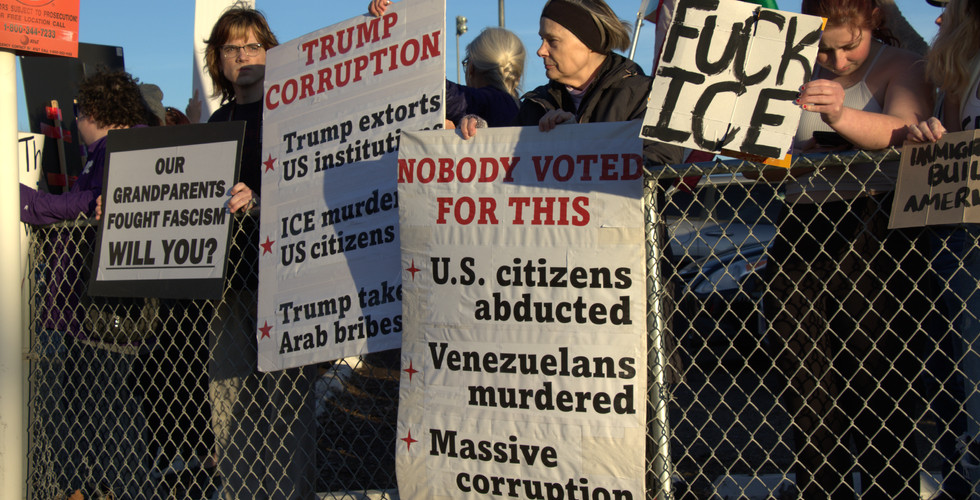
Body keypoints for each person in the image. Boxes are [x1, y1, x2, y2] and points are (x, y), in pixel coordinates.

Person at [762, 0, 933, 497]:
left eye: (848, 45)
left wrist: (839, 114)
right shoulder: (789, 65)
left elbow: (901, 129)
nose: (835, 62)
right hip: (802, 228)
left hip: (876, 234)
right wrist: (789, 158)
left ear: (873, 21)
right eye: (823, 48)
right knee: (807, 390)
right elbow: (760, 156)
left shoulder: (903, 65)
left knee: (881, 391)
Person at [203, 5, 316, 499]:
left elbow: (309, 184)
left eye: (253, 45)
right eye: (232, 47)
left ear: (271, 53)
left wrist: (261, 201)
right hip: (227, 286)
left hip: (281, 282)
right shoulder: (216, 121)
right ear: (218, 59)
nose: (244, 56)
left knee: (286, 408)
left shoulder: (291, 112)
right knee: (230, 405)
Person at [906, 0, 980, 494]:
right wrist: (932, 134)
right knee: (959, 381)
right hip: (957, 227)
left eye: (948, 5)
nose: (936, 17)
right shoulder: (959, 67)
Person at [368, 0, 526, 128]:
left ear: (471, 68)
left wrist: (396, 28)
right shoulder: (524, 111)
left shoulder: (485, 102)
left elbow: (438, 93)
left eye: (466, 63)